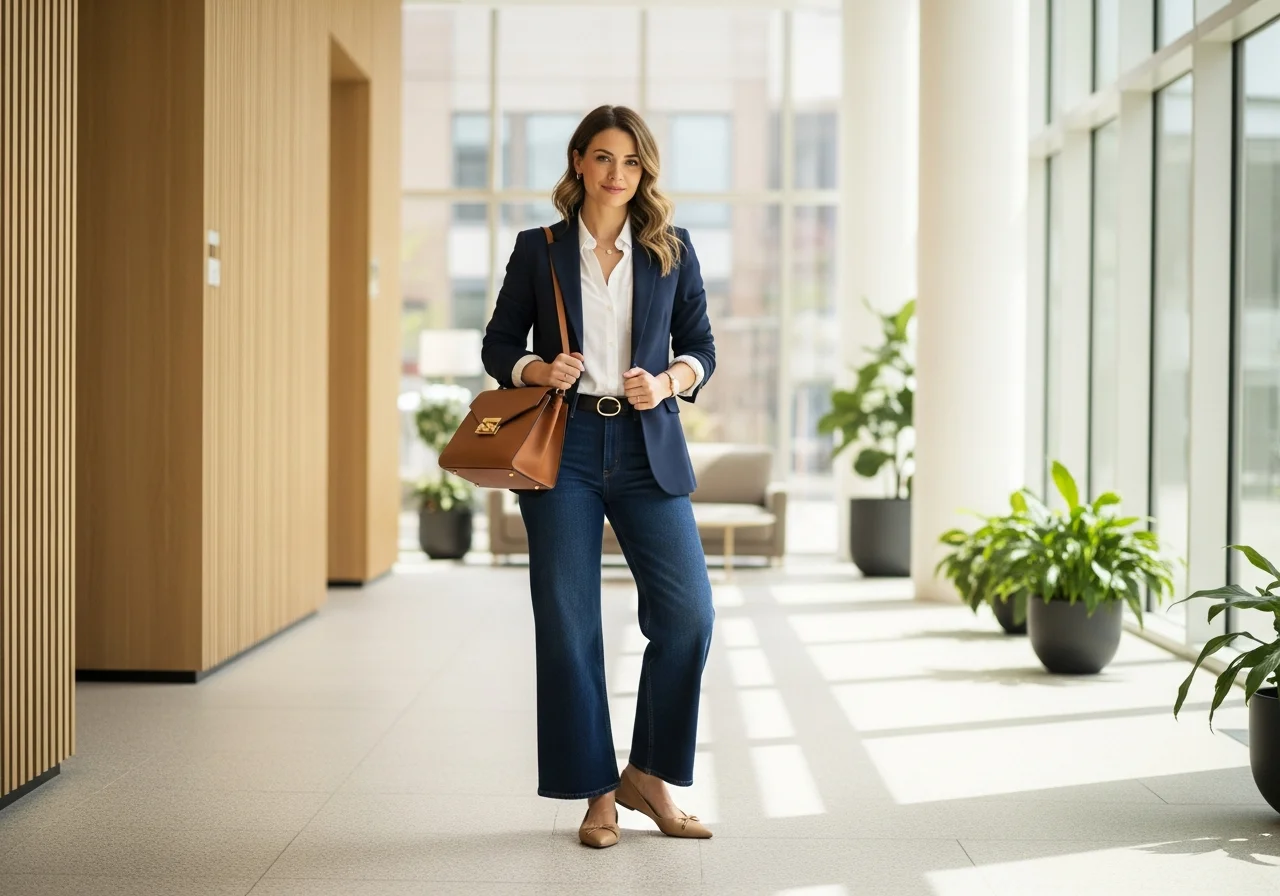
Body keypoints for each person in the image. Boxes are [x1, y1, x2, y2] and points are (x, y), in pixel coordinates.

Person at [481, 105, 717, 849]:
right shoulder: (540, 248)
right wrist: (536, 368)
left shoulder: (670, 250)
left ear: (645, 172)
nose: (619, 175)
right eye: (605, 158)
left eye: (633, 163)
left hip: (649, 444)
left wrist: (672, 381)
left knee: (688, 616)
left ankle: (647, 776)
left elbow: (703, 347)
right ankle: (596, 794)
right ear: (579, 161)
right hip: (567, 444)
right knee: (568, 621)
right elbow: (497, 345)